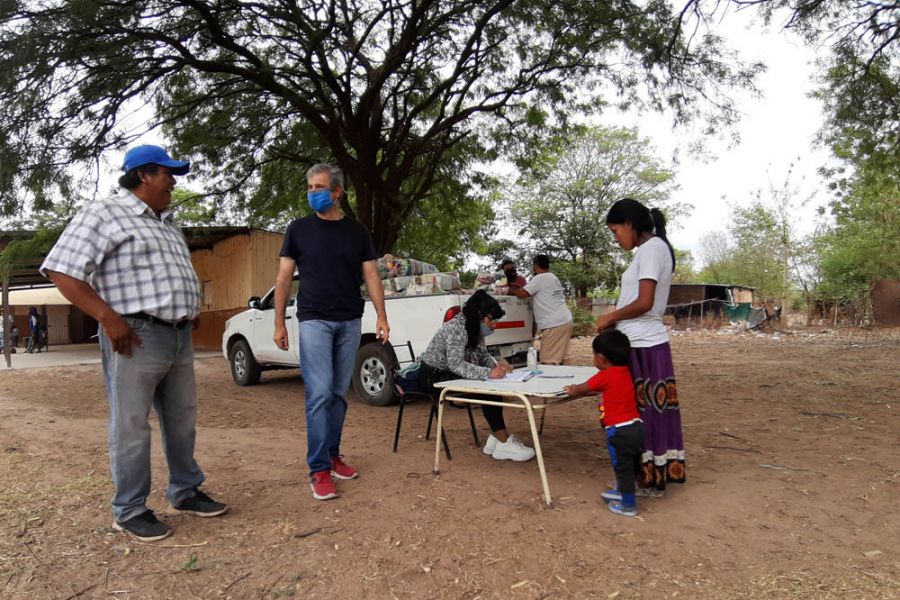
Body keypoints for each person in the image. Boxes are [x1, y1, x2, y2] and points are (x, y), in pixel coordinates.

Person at [41, 144, 227, 542]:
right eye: (167, 173)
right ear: (143, 174)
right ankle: (130, 509)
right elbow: (61, 269)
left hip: (178, 335)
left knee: (182, 419)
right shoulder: (105, 213)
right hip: (135, 337)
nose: (173, 182)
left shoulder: (167, 221)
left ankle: (185, 490)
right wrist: (108, 318)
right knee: (131, 425)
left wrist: (187, 307)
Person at [273, 163, 390, 502]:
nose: (313, 193)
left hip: (349, 319)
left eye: (319, 187)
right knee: (320, 393)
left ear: (337, 192)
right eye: (309, 187)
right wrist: (279, 321)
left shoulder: (357, 232)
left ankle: (334, 455)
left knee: (339, 393)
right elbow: (283, 278)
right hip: (314, 320)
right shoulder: (298, 229)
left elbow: (371, 276)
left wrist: (381, 316)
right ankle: (319, 469)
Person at [597, 198, 685, 495]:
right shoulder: (656, 248)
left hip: (643, 345)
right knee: (643, 411)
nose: (616, 238)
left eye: (615, 231)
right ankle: (643, 476)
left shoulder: (650, 249)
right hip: (643, 342)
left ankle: (644, 479)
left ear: (630, 224)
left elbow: (645, 302)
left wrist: (612, 316)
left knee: (634, 414)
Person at [417, 289, 536, 461]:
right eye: (491, 320)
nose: (493, 325)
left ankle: (497, 438)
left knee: (491, 385)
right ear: (479, 315)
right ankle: (502, 441)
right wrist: (489, 373)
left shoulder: (473, 327)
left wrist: (497, 366)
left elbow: (483, 355)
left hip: (448, 373)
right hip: (433, 377)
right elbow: (455, 364)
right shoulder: (455, 328)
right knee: (486, 388)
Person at [564, 330, 643, 517]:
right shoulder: (625, 372)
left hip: (619, 431)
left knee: (621, 466)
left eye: (593, 355)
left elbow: (584, 388)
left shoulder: (604, 375)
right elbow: (605, 390)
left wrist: (573, 389)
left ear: (601, 358)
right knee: (630, 464)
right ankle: (624, 490)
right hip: (636, 427)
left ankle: (628, 505)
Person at [507, 254, 573, 365]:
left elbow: (522, 294)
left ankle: (551, 381)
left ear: (535, 266)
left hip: (554, 324)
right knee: (562, 358)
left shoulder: (540, 278)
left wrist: (509, 290)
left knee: (548, 360)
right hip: (565, 320)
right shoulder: (552, 277)